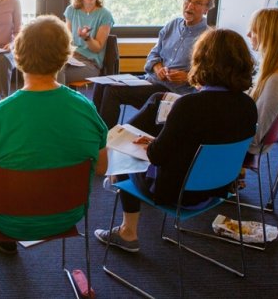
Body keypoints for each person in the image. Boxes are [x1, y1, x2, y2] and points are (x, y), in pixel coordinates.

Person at [0, 15, 108, 254]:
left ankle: (2, 238)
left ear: (18, 57)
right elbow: (101, 167)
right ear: (64, 58)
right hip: (67, 215)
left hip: (9, 221)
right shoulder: (86, 109)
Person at [94, 28, 257, 253]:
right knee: (157, 106)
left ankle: (127, 232)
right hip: (218, 189)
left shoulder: (189, 106)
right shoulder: (248, 106)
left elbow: (156, 156)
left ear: (202, 60)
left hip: (177, 192)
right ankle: (120, 187)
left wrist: (151, 143)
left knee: (125, 151)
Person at [96, 0, 216, 129]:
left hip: (172, 92)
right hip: (150, 81)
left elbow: (210, 78)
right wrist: (158, 67)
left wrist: (187, 76)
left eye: (197, 3)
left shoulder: (208, 38)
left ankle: (104, 139)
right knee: (101, 84)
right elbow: (153, 54)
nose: (190, 6)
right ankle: (95, 130)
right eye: (188, 0)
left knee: (112, 91)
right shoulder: (172, 24)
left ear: (207, 9)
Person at [239, 7, 278, 188]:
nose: (248, 34)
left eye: (254, 31)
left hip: (244, 145)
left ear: (269, 36)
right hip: (246, 137)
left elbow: (255, 136)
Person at [58, 0, 114, 85]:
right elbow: (67, 40)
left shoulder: (105, 15)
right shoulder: (71, 10)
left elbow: (97, 48)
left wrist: (87, 38)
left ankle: (58, 102)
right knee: (48, 68)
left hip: (90, 64)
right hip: (71, 58)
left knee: (55, 74)